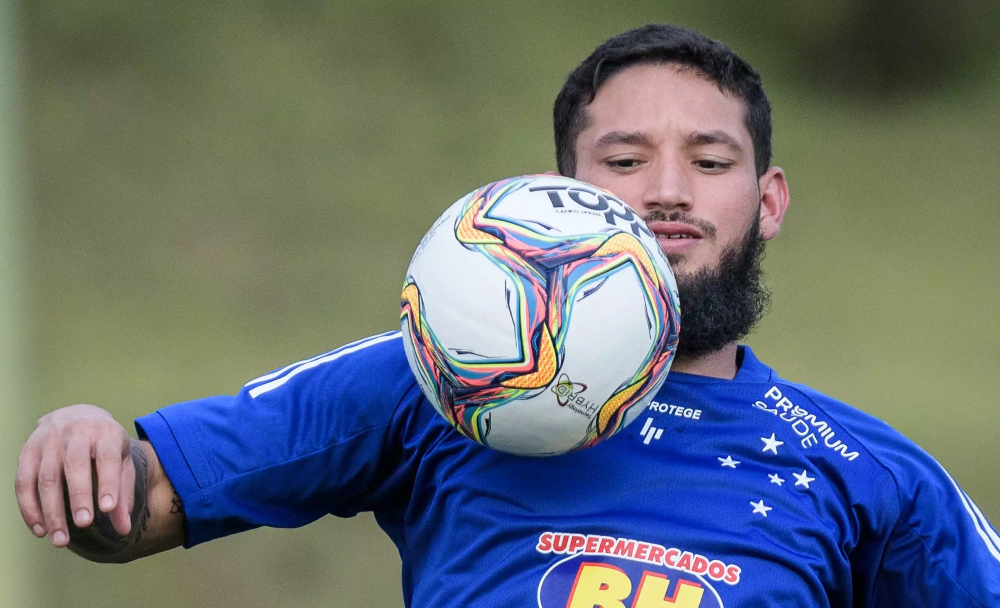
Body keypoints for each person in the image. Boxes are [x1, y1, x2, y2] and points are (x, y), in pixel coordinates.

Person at [15, 23, 1000, 607]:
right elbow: (137, 505)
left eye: (708, 161)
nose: (665, 190)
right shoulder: (432, 379)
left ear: (768, 198)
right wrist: (86, 446)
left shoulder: (868, 471)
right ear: (565, 186)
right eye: (622, 160)